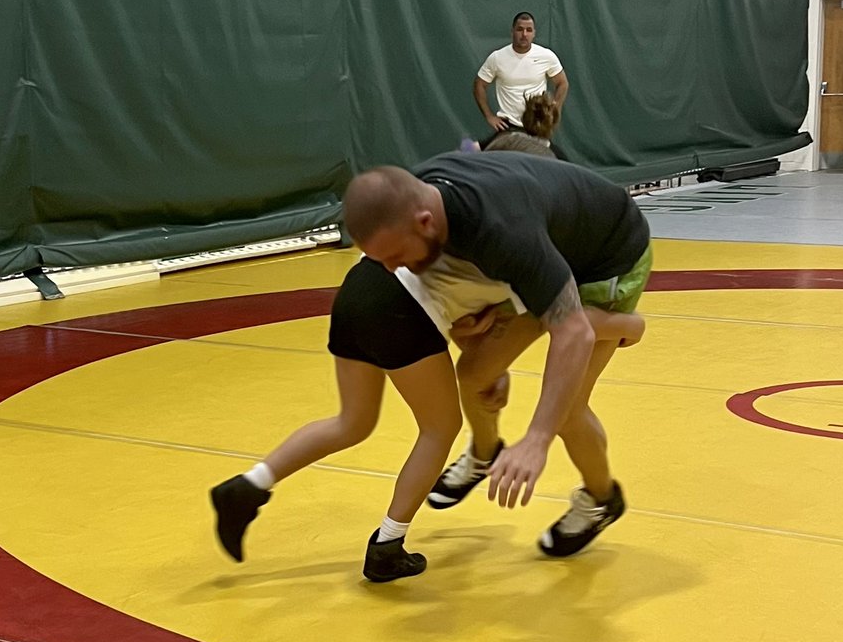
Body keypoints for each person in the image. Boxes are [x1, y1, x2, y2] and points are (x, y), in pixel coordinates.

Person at [209, 249, 645, 582]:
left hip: (358, 288)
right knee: (439, 428)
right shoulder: (517, 246)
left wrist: (487, 360)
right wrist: (630, 327)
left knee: (352, 421)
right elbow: (476, 324)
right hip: (400, 311)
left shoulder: (458, 203)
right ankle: (387, 545)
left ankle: (250, 484)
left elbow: (464, 320)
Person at [342, 151, 653, 556]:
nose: (392, 270)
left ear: (424, 223)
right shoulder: (422, 195)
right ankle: (486, 452)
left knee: (567, 408)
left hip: (608, 257)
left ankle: (601, 499)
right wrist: (469, 337)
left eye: (397, 258)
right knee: (473, 375)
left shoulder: (502, 231)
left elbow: (571, 333)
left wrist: (536, 439)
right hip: (549, 252)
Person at [473, 13, 568, 145]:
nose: (524, 34)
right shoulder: (497, 58)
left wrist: (555, 108)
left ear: (534, 33)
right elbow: (479, 84)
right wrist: (489, 116)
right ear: (512, 32)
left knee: (557, 162)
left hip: (537, 127)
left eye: (529, 30)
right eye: (520, 29)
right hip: (508, 127)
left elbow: (562, 83)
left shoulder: (546, 56)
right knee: (471, 150)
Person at [485, 92, 567, 160]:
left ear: (524, 118)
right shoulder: (559, 160)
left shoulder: (503, 140)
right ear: (554, 124)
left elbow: (474, 150)